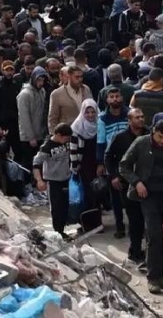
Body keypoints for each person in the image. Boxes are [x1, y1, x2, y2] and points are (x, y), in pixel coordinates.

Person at [120, 119, 163, 294]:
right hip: (148, 195)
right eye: (159, 137)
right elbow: (124, 166)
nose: (162, 141)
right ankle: (153, 277)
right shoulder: (141, 143)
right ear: (153, 132)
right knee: (154, 234)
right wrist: (137, 182)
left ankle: (160, 275)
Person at [106, 109, 148, 265]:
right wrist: (114, 176)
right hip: (128, 184)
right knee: (135, 219)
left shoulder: (150, 135)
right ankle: (135, 251)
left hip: (148, 184)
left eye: (142, 116)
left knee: (149, 220)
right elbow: (109, 157)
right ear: (129, 120)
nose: (141, 119)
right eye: (137, 117)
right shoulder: (120, 137)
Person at [97, 87, 130, 239]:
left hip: (130, 160)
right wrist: (100, 163)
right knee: (115, 197)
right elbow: (100, 142)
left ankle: (135, 226)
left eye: (117, 96)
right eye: (112, 97)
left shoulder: (129, 114)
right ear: (107, 100)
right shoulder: (103, 119)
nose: (115, 99)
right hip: (112, 160)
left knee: (131, 196)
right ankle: (119, 226)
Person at [33, 123, 75, 236]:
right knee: (56, 207)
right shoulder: (47, 147)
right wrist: (39, 180)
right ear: (58, 135)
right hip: (53, 181)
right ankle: (58, 231)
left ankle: (63, 228)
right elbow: (36, 164)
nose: (67, 140)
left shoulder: (66, 143)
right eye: (65, 138)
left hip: (65, 179)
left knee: (65, 205)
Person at [71, 99, 103, 232]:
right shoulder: (77, 126)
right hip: (84, 165)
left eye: (93, 112)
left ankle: (97, 223)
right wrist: (75, 167)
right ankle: (88, 224)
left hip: (97, 164)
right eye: (87, 112)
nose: (90, 115)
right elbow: (73, 149)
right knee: (87, 194)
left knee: (97, 194)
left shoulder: (100, 124)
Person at [17, 67, 50, 175]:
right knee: (28, 164)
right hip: (28, 137)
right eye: (38, 80)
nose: (41, 83)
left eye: (43, 80)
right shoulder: (25, 94)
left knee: (38, 164)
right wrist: (31, 137)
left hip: (40, 134)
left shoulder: (42, 91)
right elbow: (24, 118)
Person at [48, 66, 92, 131]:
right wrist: (54, 134)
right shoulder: (57, 94)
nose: (80, 79)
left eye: (81, 77)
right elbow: (52, 118)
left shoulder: (86, 89)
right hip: (67, 132)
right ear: (69, 77)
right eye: (77, 77)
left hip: (86, 131)